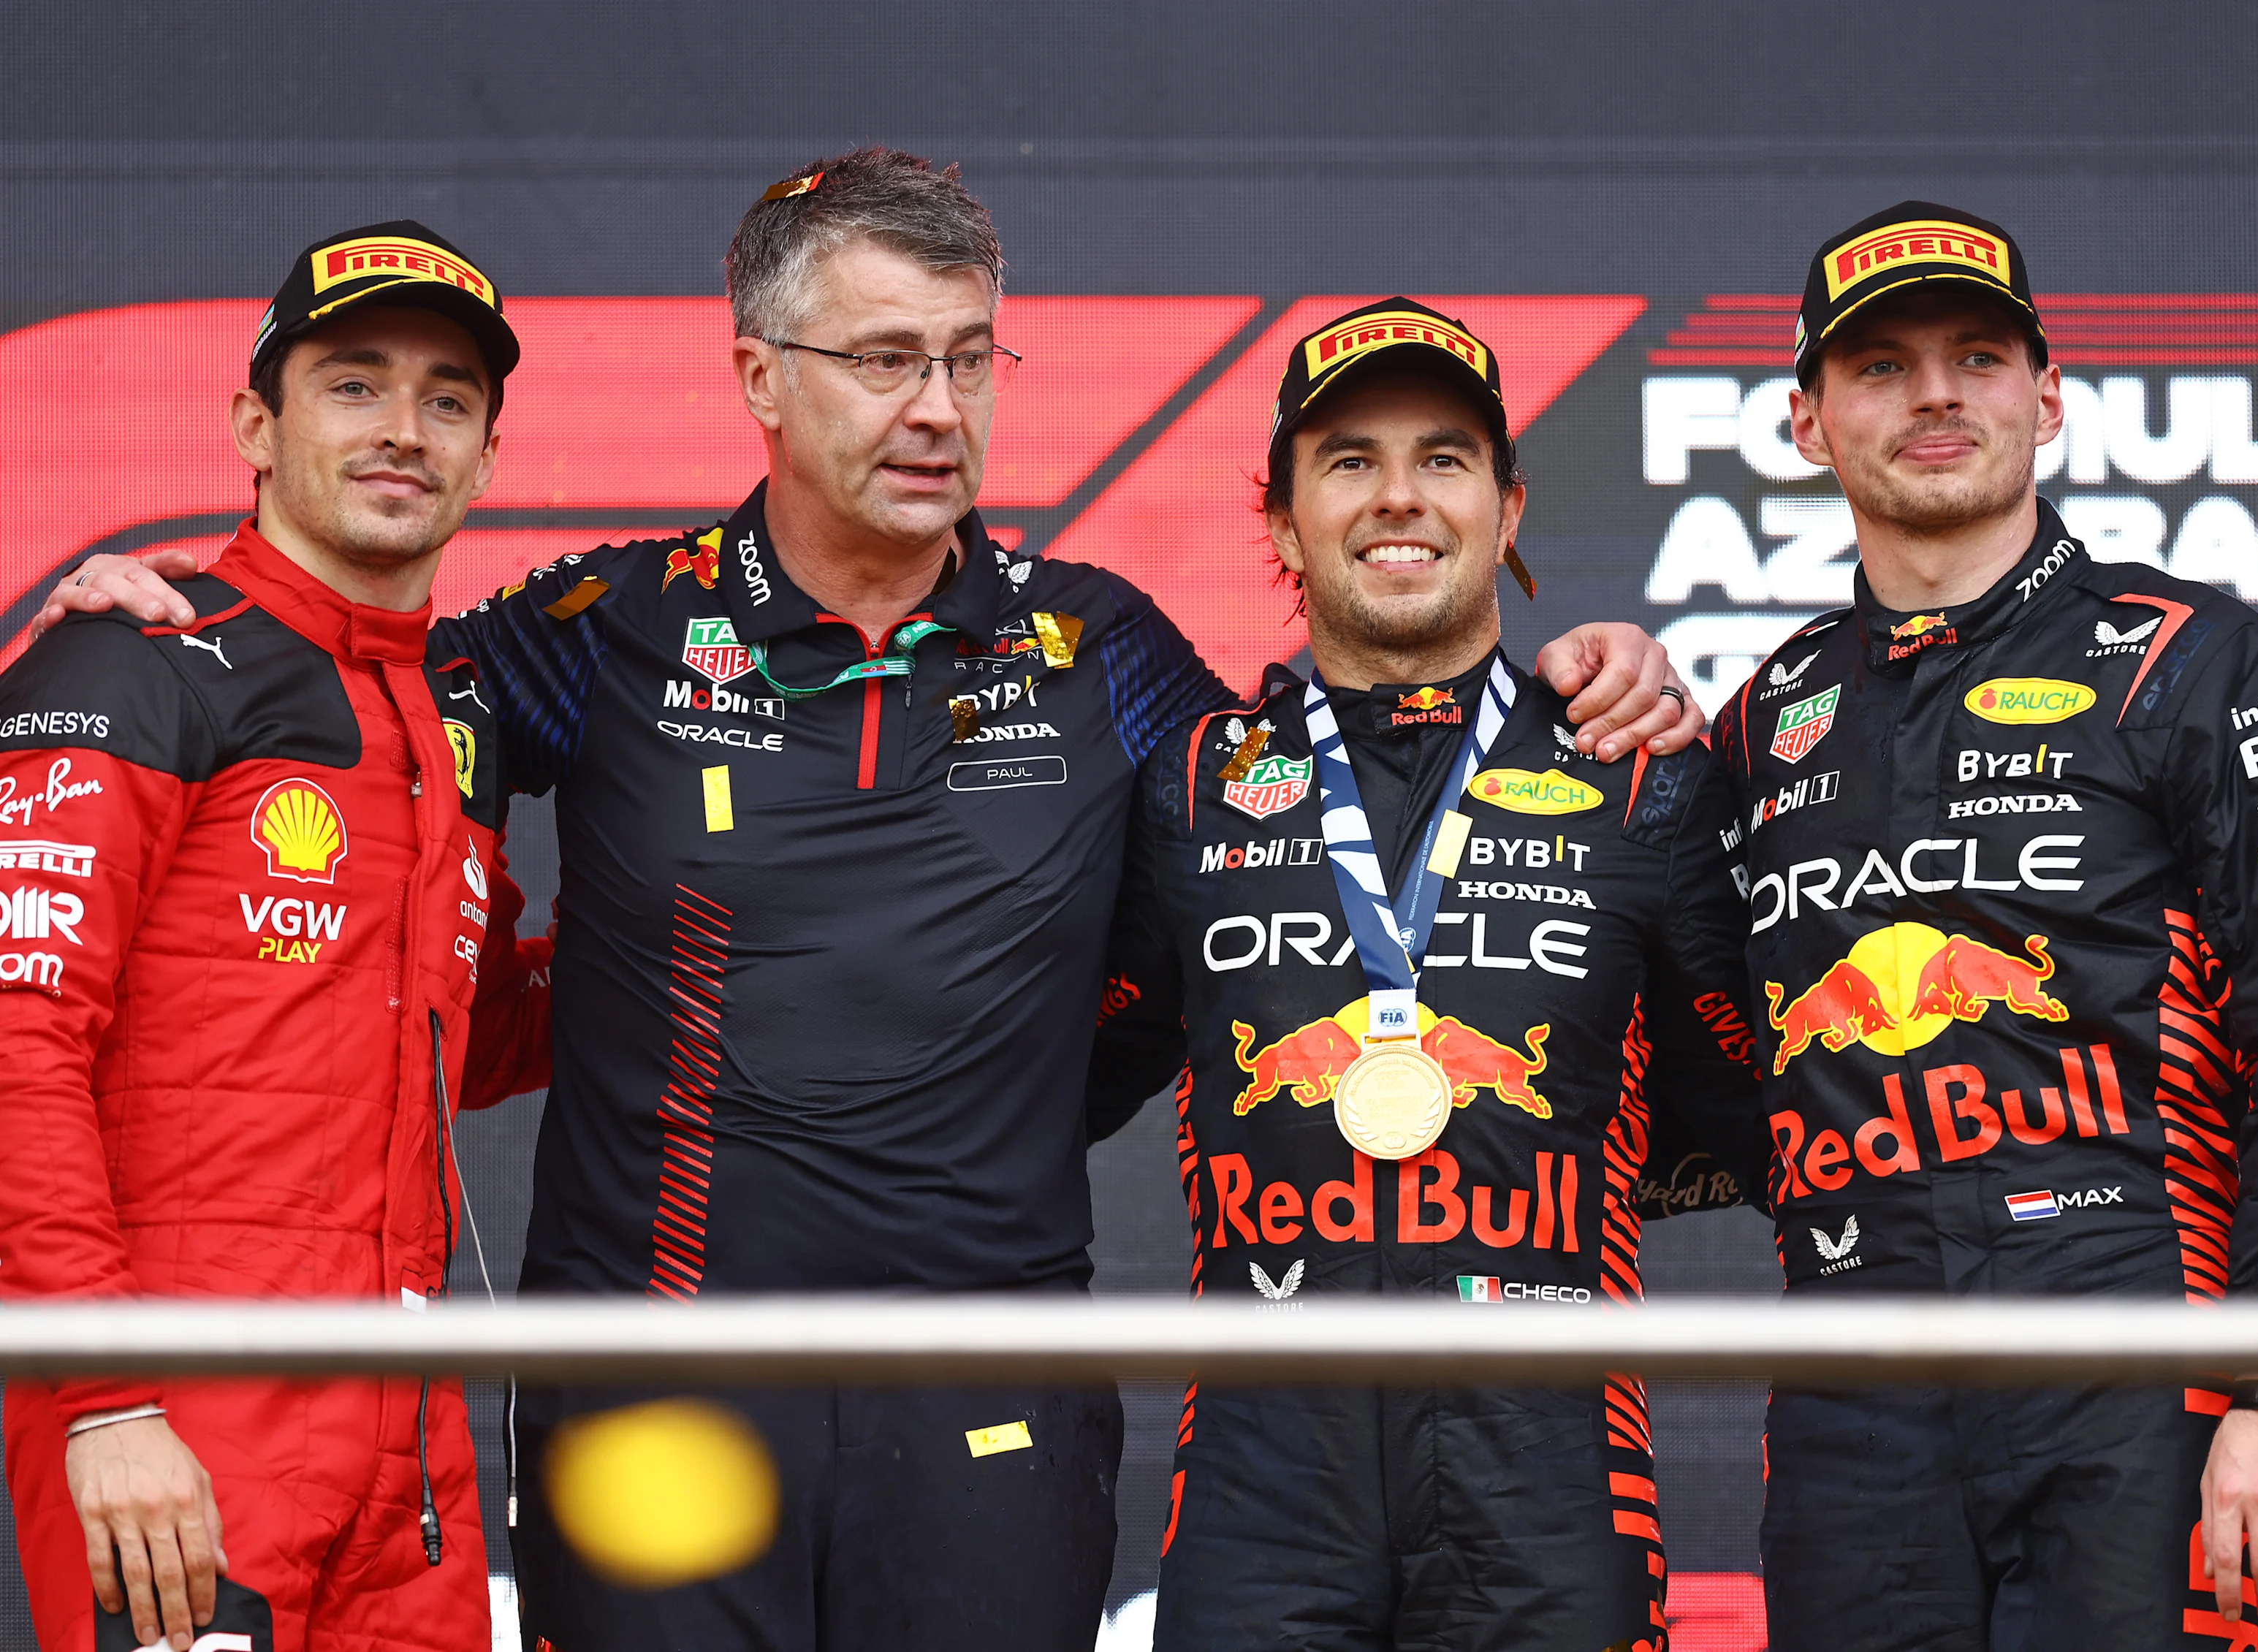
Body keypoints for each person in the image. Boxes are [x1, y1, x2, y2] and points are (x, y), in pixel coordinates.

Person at [33, 151, 1701, 1651]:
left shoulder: (1098, 643)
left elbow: (1317, 815)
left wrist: (1575, 675)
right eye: (885, 358)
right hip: (658, 1409)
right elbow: (359, 735)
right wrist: (192, 615)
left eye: (970, 358)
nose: (936, 407)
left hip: (986, 1414)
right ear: (758, 376)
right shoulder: (605, 625)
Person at [1710, 202, 2258, 1651]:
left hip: (2132, 1370)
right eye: (1881, 365)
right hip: (1852, 1402)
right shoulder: (1759, 723)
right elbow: (1697, 1067)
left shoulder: (2188, 657)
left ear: (2046, 399)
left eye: (1978, 355)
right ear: (1804, 420)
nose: (1933, 394)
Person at [1085, 299, 1769, 1652]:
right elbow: (1063, 1080)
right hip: (1262, 1462)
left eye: (1443, 457)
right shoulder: (1190, 788)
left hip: (1553, 1453)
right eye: (1348, 459)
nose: (1399, 496)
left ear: (1507, 512)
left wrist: (1544, 1189)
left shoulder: (1642, 779)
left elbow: (1757, 1119)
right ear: (1281, 523)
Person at [0, 222, 549, 1652]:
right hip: (174, 1426)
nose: (404, 430)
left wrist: (741, 960)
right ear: (257, 421)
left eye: (448, 399)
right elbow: (13, 1038)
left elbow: (461, 1043)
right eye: (353, 383)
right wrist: (106, 1396)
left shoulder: (462, 713)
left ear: (490, 454)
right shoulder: (127, 650)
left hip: (410, 1477)